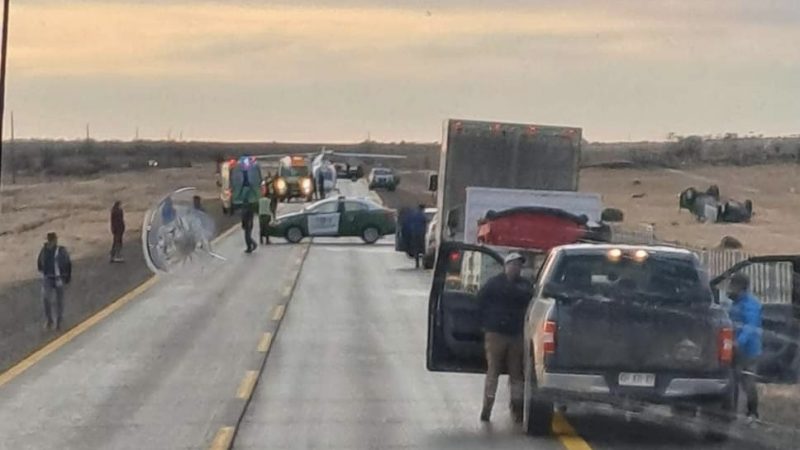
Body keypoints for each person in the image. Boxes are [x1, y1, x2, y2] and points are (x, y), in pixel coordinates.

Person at [477, 252, 533, 423]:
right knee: (493, 371)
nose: (516, 268)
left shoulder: (525, 286)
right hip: (496, 335)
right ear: (506, 266)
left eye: (519, 265)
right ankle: (487, 408)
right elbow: (479, 301)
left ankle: (517, 409)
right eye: (513, 264)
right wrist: (486, 323)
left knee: (516, 374)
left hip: (516, 335)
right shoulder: (493, 284)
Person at [726, 273, 762, 420]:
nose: (730, 290)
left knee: (748, 382)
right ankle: (731, 412)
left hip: (749, 351)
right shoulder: (734, 304)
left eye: (733, 286)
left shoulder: (751, 305)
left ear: (742, 288)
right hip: (733, 349)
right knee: (732, 381)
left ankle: (753, 413)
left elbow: (750, 327)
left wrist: (738, 342)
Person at [37, 232, 72, 331]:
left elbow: (67, 263)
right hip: (48, 277)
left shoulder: (61, 251)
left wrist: (67, 277)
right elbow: (40, 263)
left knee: (59, 301)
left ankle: (59, 321)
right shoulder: (44, 251)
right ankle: (50, 320)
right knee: (46, 299)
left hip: (58, 277)